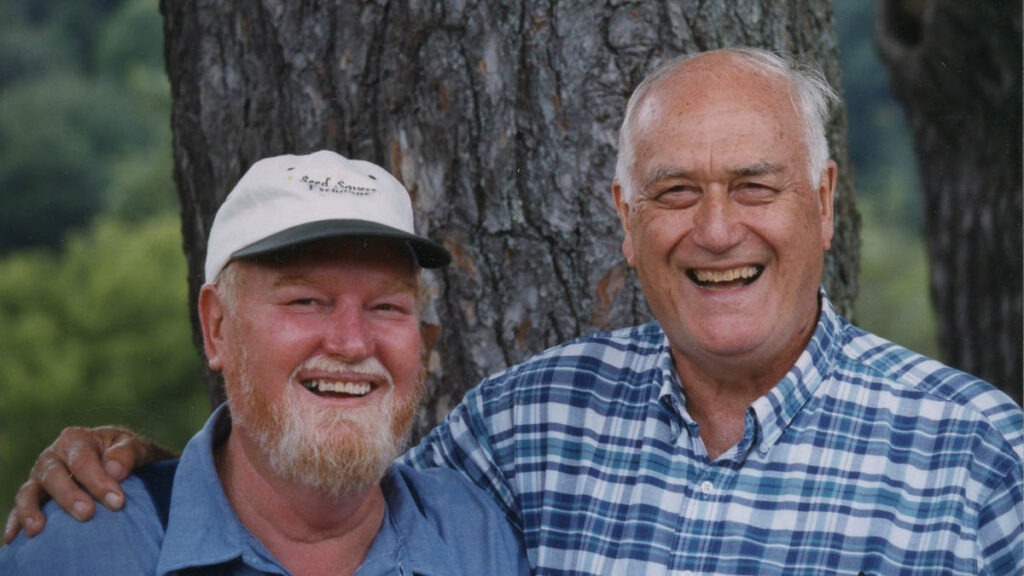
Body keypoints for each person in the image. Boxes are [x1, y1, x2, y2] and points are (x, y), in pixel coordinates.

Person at [7, 48, 1023, 575]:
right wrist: (140, 468)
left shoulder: (979, 456)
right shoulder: (527, 428)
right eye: (674, 193)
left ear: (826, 203)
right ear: (625, 221)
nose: (717, 231)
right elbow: (319, 475)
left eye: (755, 187)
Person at [0, 150, 530, 575]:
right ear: (217, 328)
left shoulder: (479, 537)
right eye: (305, 301)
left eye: (386, 307)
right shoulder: (86, 547)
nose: (351, 343)